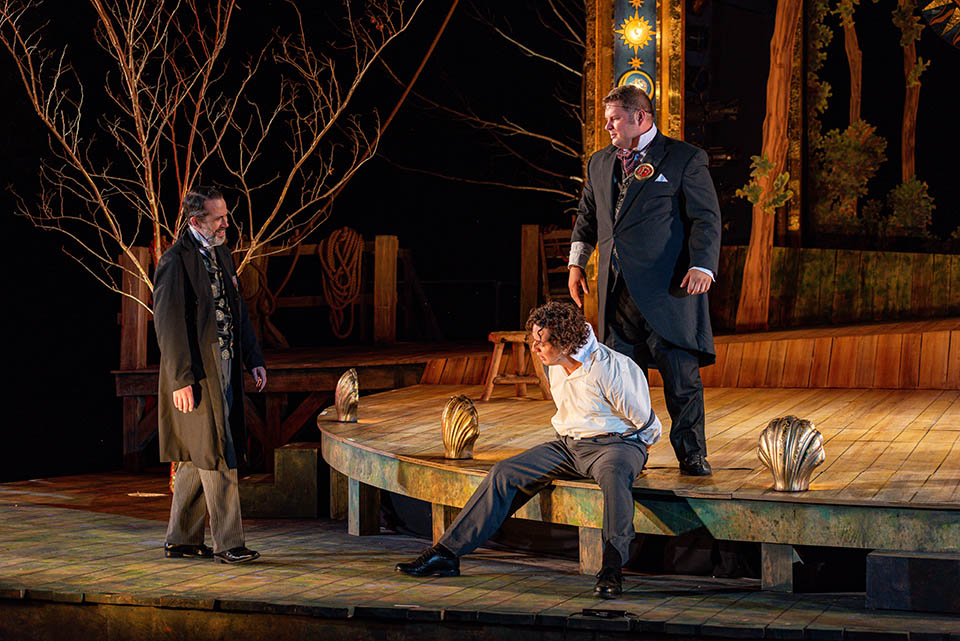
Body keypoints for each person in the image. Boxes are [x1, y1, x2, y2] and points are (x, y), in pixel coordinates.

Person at [396, 301, 661, 598]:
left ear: (563, 343)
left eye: (540, 342)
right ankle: (447, 553)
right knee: (505, 472)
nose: (534, 348)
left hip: (616, 444)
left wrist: (637, 457)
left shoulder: (610, 369)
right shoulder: (554, 364)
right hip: (570, 445)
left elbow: (647, 423)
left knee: (614, 479)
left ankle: (612, 567)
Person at [568, 84, 721, 477]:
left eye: (615, 118)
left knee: (681, 380)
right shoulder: (600, 163)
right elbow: (587, 217)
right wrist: (576, 265)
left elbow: (706, 217)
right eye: (606, 119)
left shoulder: (685, 158)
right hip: (616, 293)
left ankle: (692, 455)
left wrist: (702, 265)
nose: (608, 126)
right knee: (619, 381)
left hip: (668, 291)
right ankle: (628, 457)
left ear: (641, 117)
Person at [154, 187, 267, 564]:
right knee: (216, 449)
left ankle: (182, 539)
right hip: (197, 372)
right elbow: (168, 326)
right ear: (195, 221)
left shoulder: (221, 253)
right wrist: (181, 378)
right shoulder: (175, 261)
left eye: (224, 216)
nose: (225, 224)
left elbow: (239, 310)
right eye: (218, 218)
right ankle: (229, 543)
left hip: (226, 363)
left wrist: (254, 359)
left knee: (194, 453)